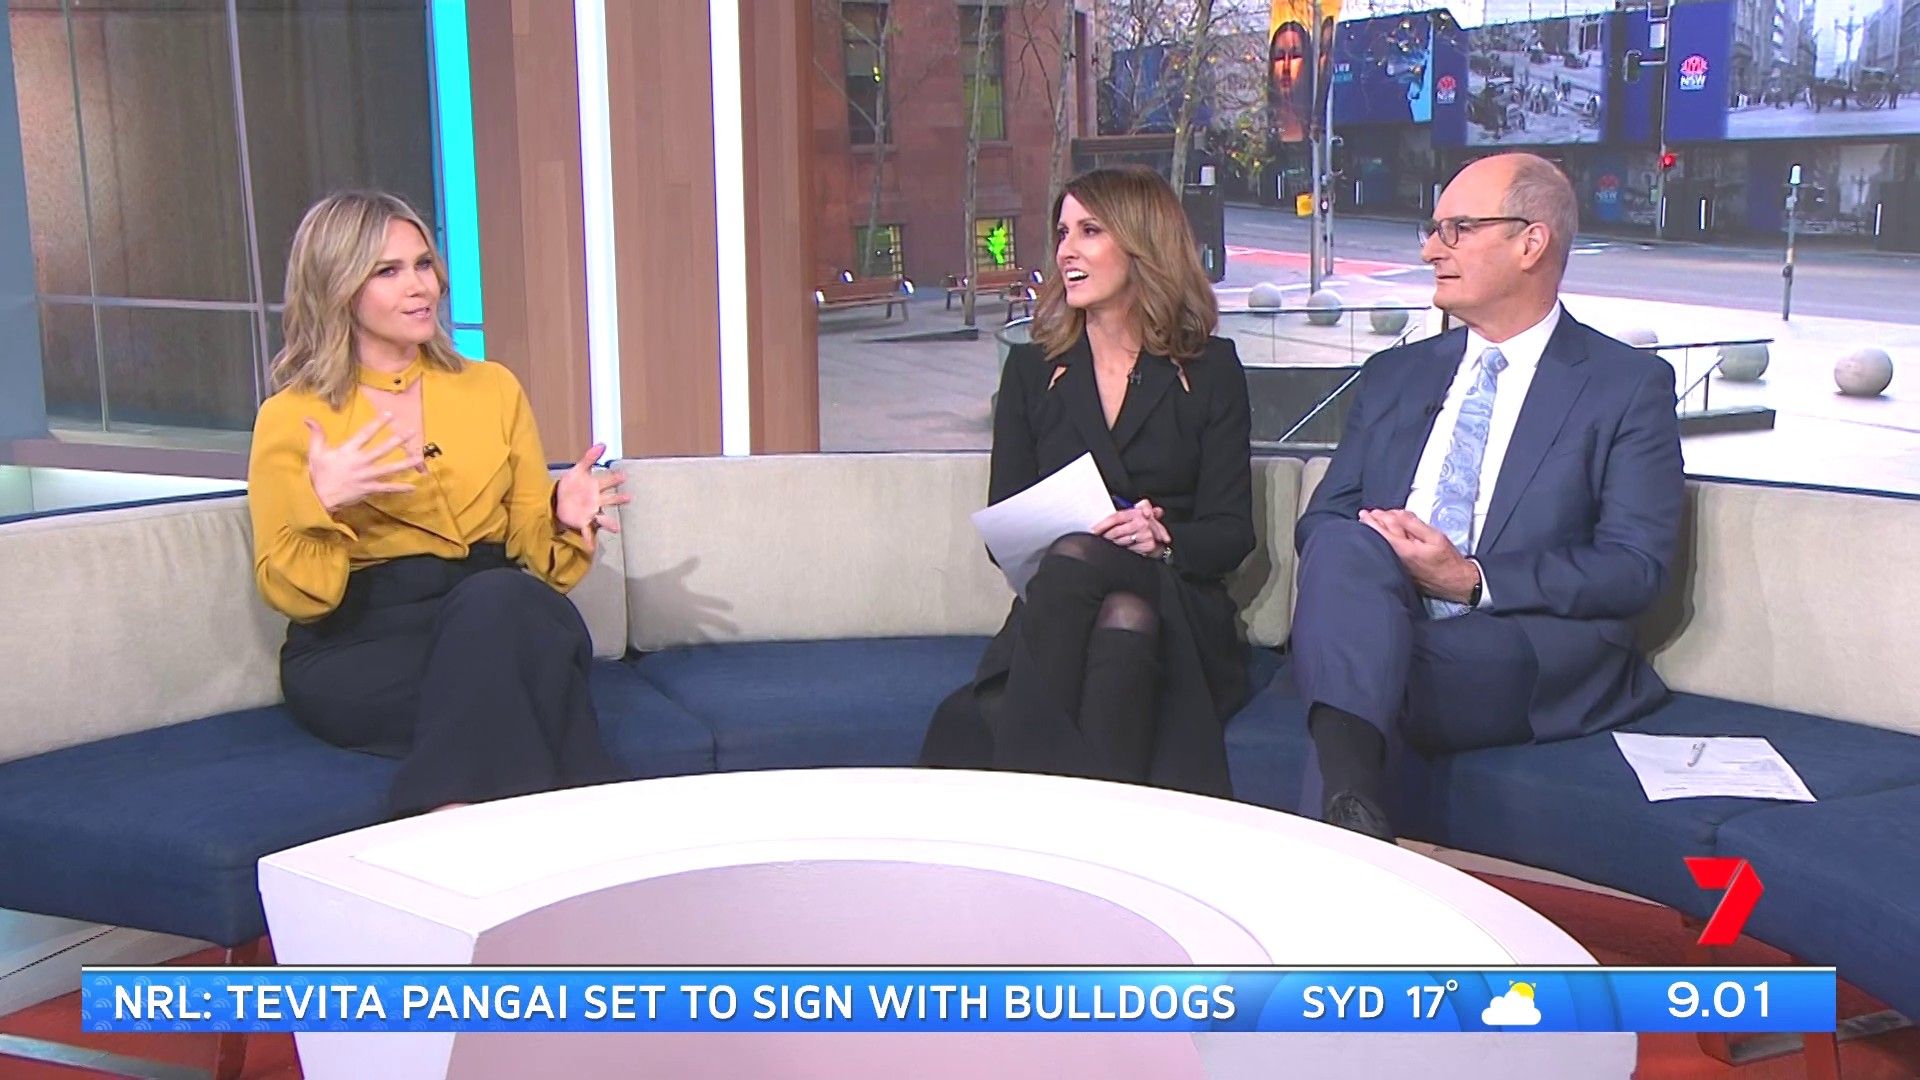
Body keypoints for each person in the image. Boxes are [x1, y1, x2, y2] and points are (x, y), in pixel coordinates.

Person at [1291, 153, 1684, 842]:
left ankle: (1337, 830)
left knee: (1349, 676)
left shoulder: (1625, 386)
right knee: (1345, 547)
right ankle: (1351, 818)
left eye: (1458, 229)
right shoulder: (1394, 374)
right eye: (1433, 229)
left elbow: (1635, 567)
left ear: (1531, 243)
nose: (1429, 250)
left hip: (1519, 640)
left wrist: (1470, 579)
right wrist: (1388, 553)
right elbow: (1323, 519)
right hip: (1377, 609)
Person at [246, 191, 628, 817]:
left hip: (494, 614)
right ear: (339, 287)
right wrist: (324, 505)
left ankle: (443, 814)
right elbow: (295, 595)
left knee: (503, 605)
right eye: (388, 271)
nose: (420, 286)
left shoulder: (492, 388)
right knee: (530, 666)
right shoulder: (293, 416)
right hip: (363, 645)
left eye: (423, 264)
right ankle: (594, 823)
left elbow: (540, 560)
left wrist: (563, 519)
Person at [919, 166, 1254, 797]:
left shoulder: (1210, 370)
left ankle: (1020, 793)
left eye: (1089, 231)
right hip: (1066, 607)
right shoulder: (1031, 371)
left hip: (1178, 598)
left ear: (1141, 242)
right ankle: (1100, 826)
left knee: (1091, 566)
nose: (1066, 250)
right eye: (1062, 232)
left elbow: (1233, 532)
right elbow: (1005, 525)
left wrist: (1163, 539)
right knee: (1120, 617)